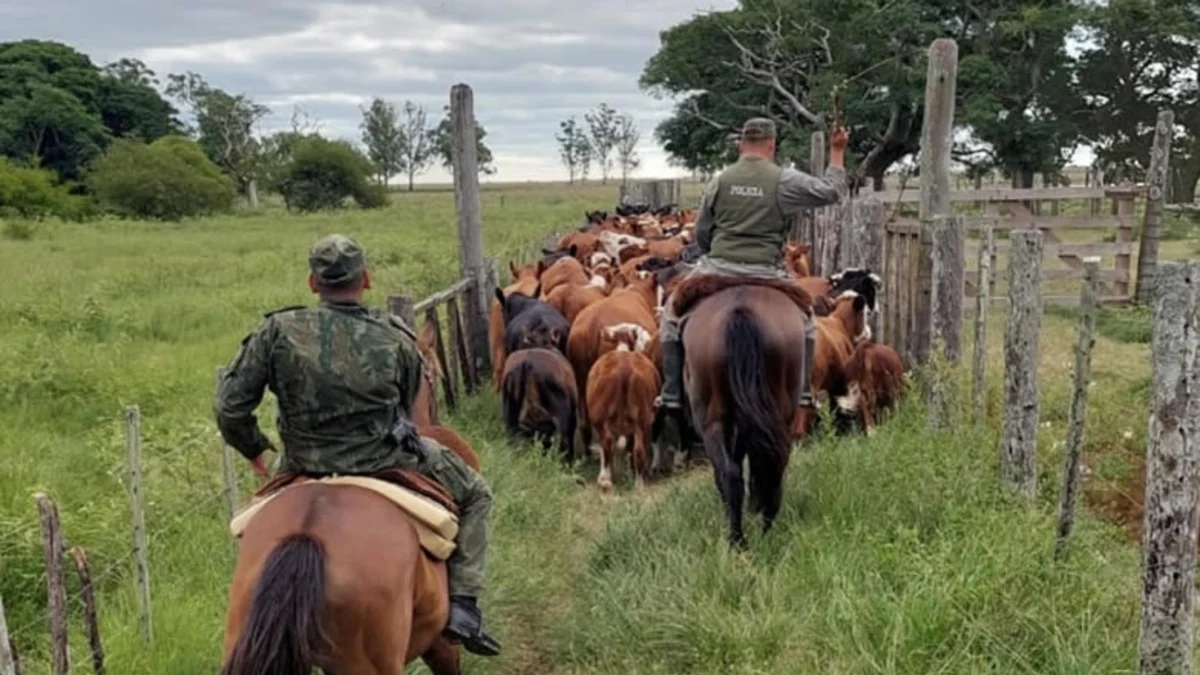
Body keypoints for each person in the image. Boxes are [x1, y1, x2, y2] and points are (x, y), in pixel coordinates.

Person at [213, 234, 502, 657]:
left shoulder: (276, 331)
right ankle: (463, 607)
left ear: (314, 283)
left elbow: (229, 406)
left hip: (300, 461)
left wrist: (255, 448)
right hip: (384, 458)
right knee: (476, 493)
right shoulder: (394, 335)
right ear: (365, 278)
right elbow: (409, 408)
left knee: (257, 527)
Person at [657, 117, 849, 413]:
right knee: (807, 321)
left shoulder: (719, 180)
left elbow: (703, 232)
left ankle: (671, 392)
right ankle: (802, 391)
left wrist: (715, 255)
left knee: (671, 316)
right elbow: (831, 192)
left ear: (741, 145)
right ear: (772, 145)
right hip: (768, 272)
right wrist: (836, 152)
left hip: (719, 268)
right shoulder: (785, 179)